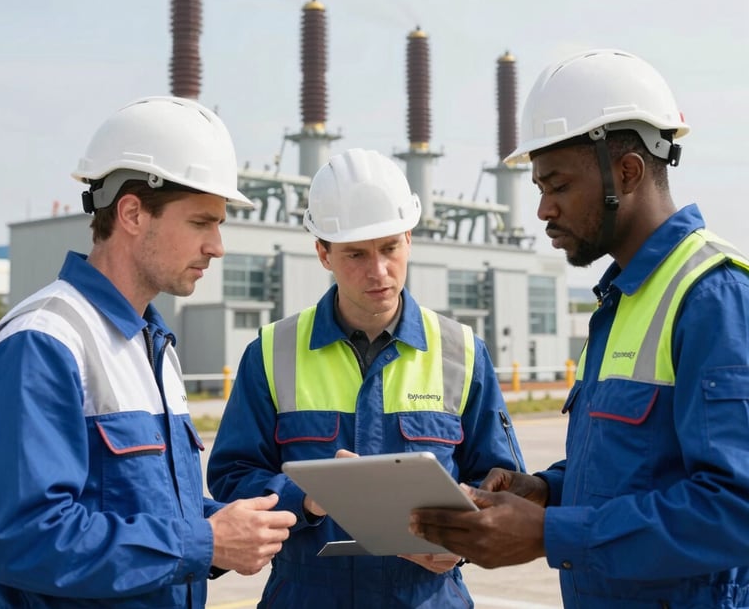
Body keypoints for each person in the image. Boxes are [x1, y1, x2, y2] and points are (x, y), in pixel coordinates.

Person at [409, 49, 749, 608]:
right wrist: (546, 491)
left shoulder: (712, 297)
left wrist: (549, 533)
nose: (542, 210)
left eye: (558, 185)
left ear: (628, 172)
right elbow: (637, 469)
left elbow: (734, 508)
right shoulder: (620, 301)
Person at [0, 96, 296, 608]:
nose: (217, 246)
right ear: (131, 213)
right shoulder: (44, 342)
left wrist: (289, 506)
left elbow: (151, 513)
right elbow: (21, 541)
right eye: (201, 222)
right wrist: (206, 541)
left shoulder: (152, 345)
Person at [207, 147, 525, 608]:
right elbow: (232, 478)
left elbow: (502, 484)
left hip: (427, 596)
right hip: (307, 594)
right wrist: (305, 497)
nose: (378, 271)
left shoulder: (461, 352)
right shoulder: (271, 354)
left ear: (409, 239)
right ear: (323, 253)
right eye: (356, 254)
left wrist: (462, 542)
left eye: (390, 248)